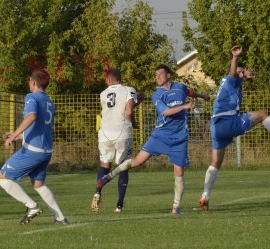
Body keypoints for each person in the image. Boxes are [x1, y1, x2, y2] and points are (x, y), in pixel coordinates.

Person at [97, 64, 209, 215]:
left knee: (179, 171)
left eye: (160, 74)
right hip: (161, 135)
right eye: (156, 75)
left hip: (180, 137)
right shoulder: (156, 94)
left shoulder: (180, 88)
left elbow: (190, 92)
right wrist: (184, 107)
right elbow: (166, 112)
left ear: (168, 75)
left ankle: (176, 207)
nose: (157, 77)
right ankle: (109, 176)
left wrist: (203, 96)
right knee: (137, 161)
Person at [199, 45, 270, 211]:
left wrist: (246, 73)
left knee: (216, 162)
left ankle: (205, 196)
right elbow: (233, 72)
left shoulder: (235, 83)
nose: (240, 73)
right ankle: (205, 195)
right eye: (239, 71)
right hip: (228, 121)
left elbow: (247, 73)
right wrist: (235, 57)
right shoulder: (230, 79)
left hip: (216, 126)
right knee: (262, 114)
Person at [0, 69, 68, 225]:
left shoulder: (31, 97)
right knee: (38, 185)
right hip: (45, 151)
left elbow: (31, 116)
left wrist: (14, 135)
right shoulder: (49, 102)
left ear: (34, 82)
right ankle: (60, 217)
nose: (28, 83)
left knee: (2, 178)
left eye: (29, 80)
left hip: (32, 151)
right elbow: (40, 129)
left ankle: (32, 206)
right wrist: (19, 136)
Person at [91, 68, 143, 214]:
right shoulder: (128, 90)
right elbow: (128, 111)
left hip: (105, 134)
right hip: (122, 133)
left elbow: (116, 108)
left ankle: (97, 192)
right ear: (119, 78)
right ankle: (119, 205)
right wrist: (134, 123)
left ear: (108, 80)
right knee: (123, 166)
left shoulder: (103, 94)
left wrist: (137, 102)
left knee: (105, 166)